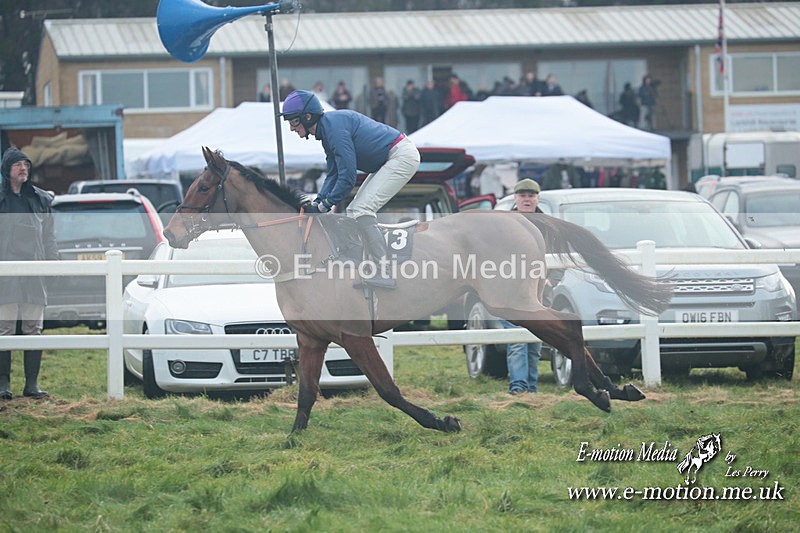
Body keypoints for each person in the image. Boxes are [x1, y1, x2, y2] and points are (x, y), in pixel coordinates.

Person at [280, 90, 420, 289]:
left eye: (293, 122)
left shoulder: (334, 129)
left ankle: (384, 272)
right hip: (389, 157)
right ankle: (360, 263)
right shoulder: (326, 131)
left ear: (307, 117)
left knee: (361, 210)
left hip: (400, 156)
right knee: (354, 211)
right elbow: (333, 173)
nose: (292, 128)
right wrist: (318, 201)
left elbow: (348, 178)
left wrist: (325, 206)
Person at [0, 147, 58, 400]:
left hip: (35, 273)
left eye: (26, 164)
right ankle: (3, 385)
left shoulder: (41, 199)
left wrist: (53, 266)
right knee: (4, 330)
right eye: (17, 165)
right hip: (4, 276)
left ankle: (31, 385)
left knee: (34, 328)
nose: (23, 168)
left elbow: (49, 237)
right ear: (7, 170)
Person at [501, 178, 543, 395]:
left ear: (538, 197)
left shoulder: (547, 224)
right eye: (523, 196)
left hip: (539, 292)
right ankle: (519, 388)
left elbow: (558, 255)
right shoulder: (504, 223)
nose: (527, 200)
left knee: (535, 342)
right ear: (515, 199)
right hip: (510, 291)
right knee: (517, 339)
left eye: (531, 196)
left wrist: (553, 273)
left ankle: (532, 389)